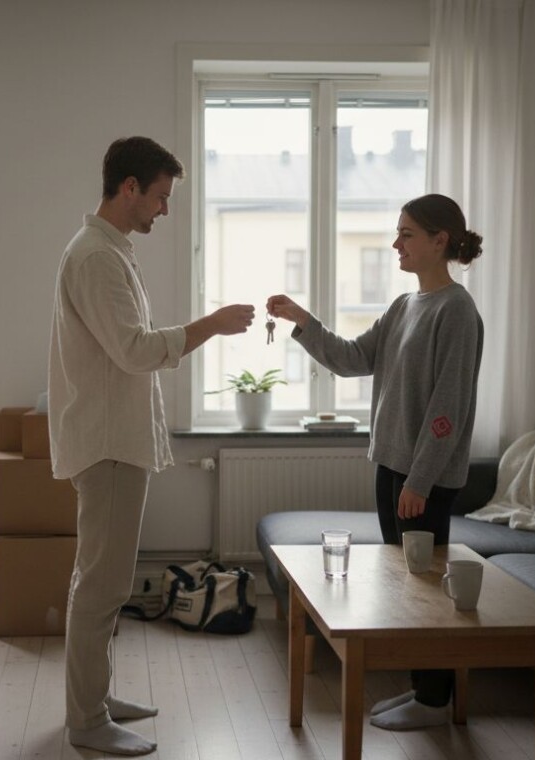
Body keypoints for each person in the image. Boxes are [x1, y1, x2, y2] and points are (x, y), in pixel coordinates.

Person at [48, 136, 255, 756]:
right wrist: (211, 325)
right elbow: (135, 351)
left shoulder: (111, 251)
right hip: (108, 444)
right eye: (161, 196)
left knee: (103, 580)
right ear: (130, 187)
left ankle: (97, 699)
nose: (165, 210)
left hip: (116, 439)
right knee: (103, 585)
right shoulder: (95, 258)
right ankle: (86, 720)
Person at [266, 193, 484, 731]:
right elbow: (350, 359)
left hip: (421, 478)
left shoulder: (457, 311)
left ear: (440, 241)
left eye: (406, 234)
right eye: (397, 232)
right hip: (391, 466)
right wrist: (302, 320)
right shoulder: (403, 307)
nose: (395, 244)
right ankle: (423, 691)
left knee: (426, 590)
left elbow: (447, 410)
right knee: (407, 588)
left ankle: (435, 702)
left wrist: (421, 480)